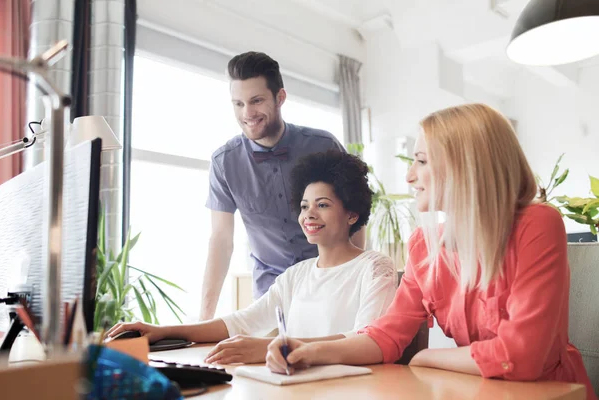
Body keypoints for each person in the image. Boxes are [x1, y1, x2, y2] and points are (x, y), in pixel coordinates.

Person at [265, 104, 596, 400]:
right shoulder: (424, 245)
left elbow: (522, 356)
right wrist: (309, 351)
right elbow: (385, 335)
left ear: (466, 166)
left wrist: (425, 358)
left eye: (421, 161)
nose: (410, 176)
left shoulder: (537, 224)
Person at [107, 151, 397, 365]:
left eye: (322, 205)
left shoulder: (374, 268)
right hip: (295, 388)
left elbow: (365, 339)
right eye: (304, 205)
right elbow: (242, 322)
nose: (309, 214)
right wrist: (162, 330)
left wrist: (278, 346)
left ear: (351, 214)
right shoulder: (297, 275)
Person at [200, 51, 365, 320]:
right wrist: (204, 320)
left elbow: (354, 218)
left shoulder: (323, 146)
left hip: (332, 285)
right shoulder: (224, 162)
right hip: (271, 295)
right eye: (238, 104)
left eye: (256, 101)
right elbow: (220, 240)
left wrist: (355, 278)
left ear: (280, 98)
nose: (247, 113)